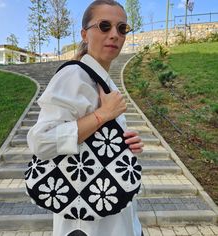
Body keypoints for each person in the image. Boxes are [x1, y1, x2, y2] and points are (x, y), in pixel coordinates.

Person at [27, 0, 144, 235]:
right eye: (104, 26)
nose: (114, 34)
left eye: (122, 28)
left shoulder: (103, 82)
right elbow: (41, 141)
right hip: (87, 222)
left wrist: (124, 141)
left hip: (113, 212)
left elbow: (92, 136)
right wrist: (103, 115)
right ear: (84, 34)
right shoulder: (74, 75)